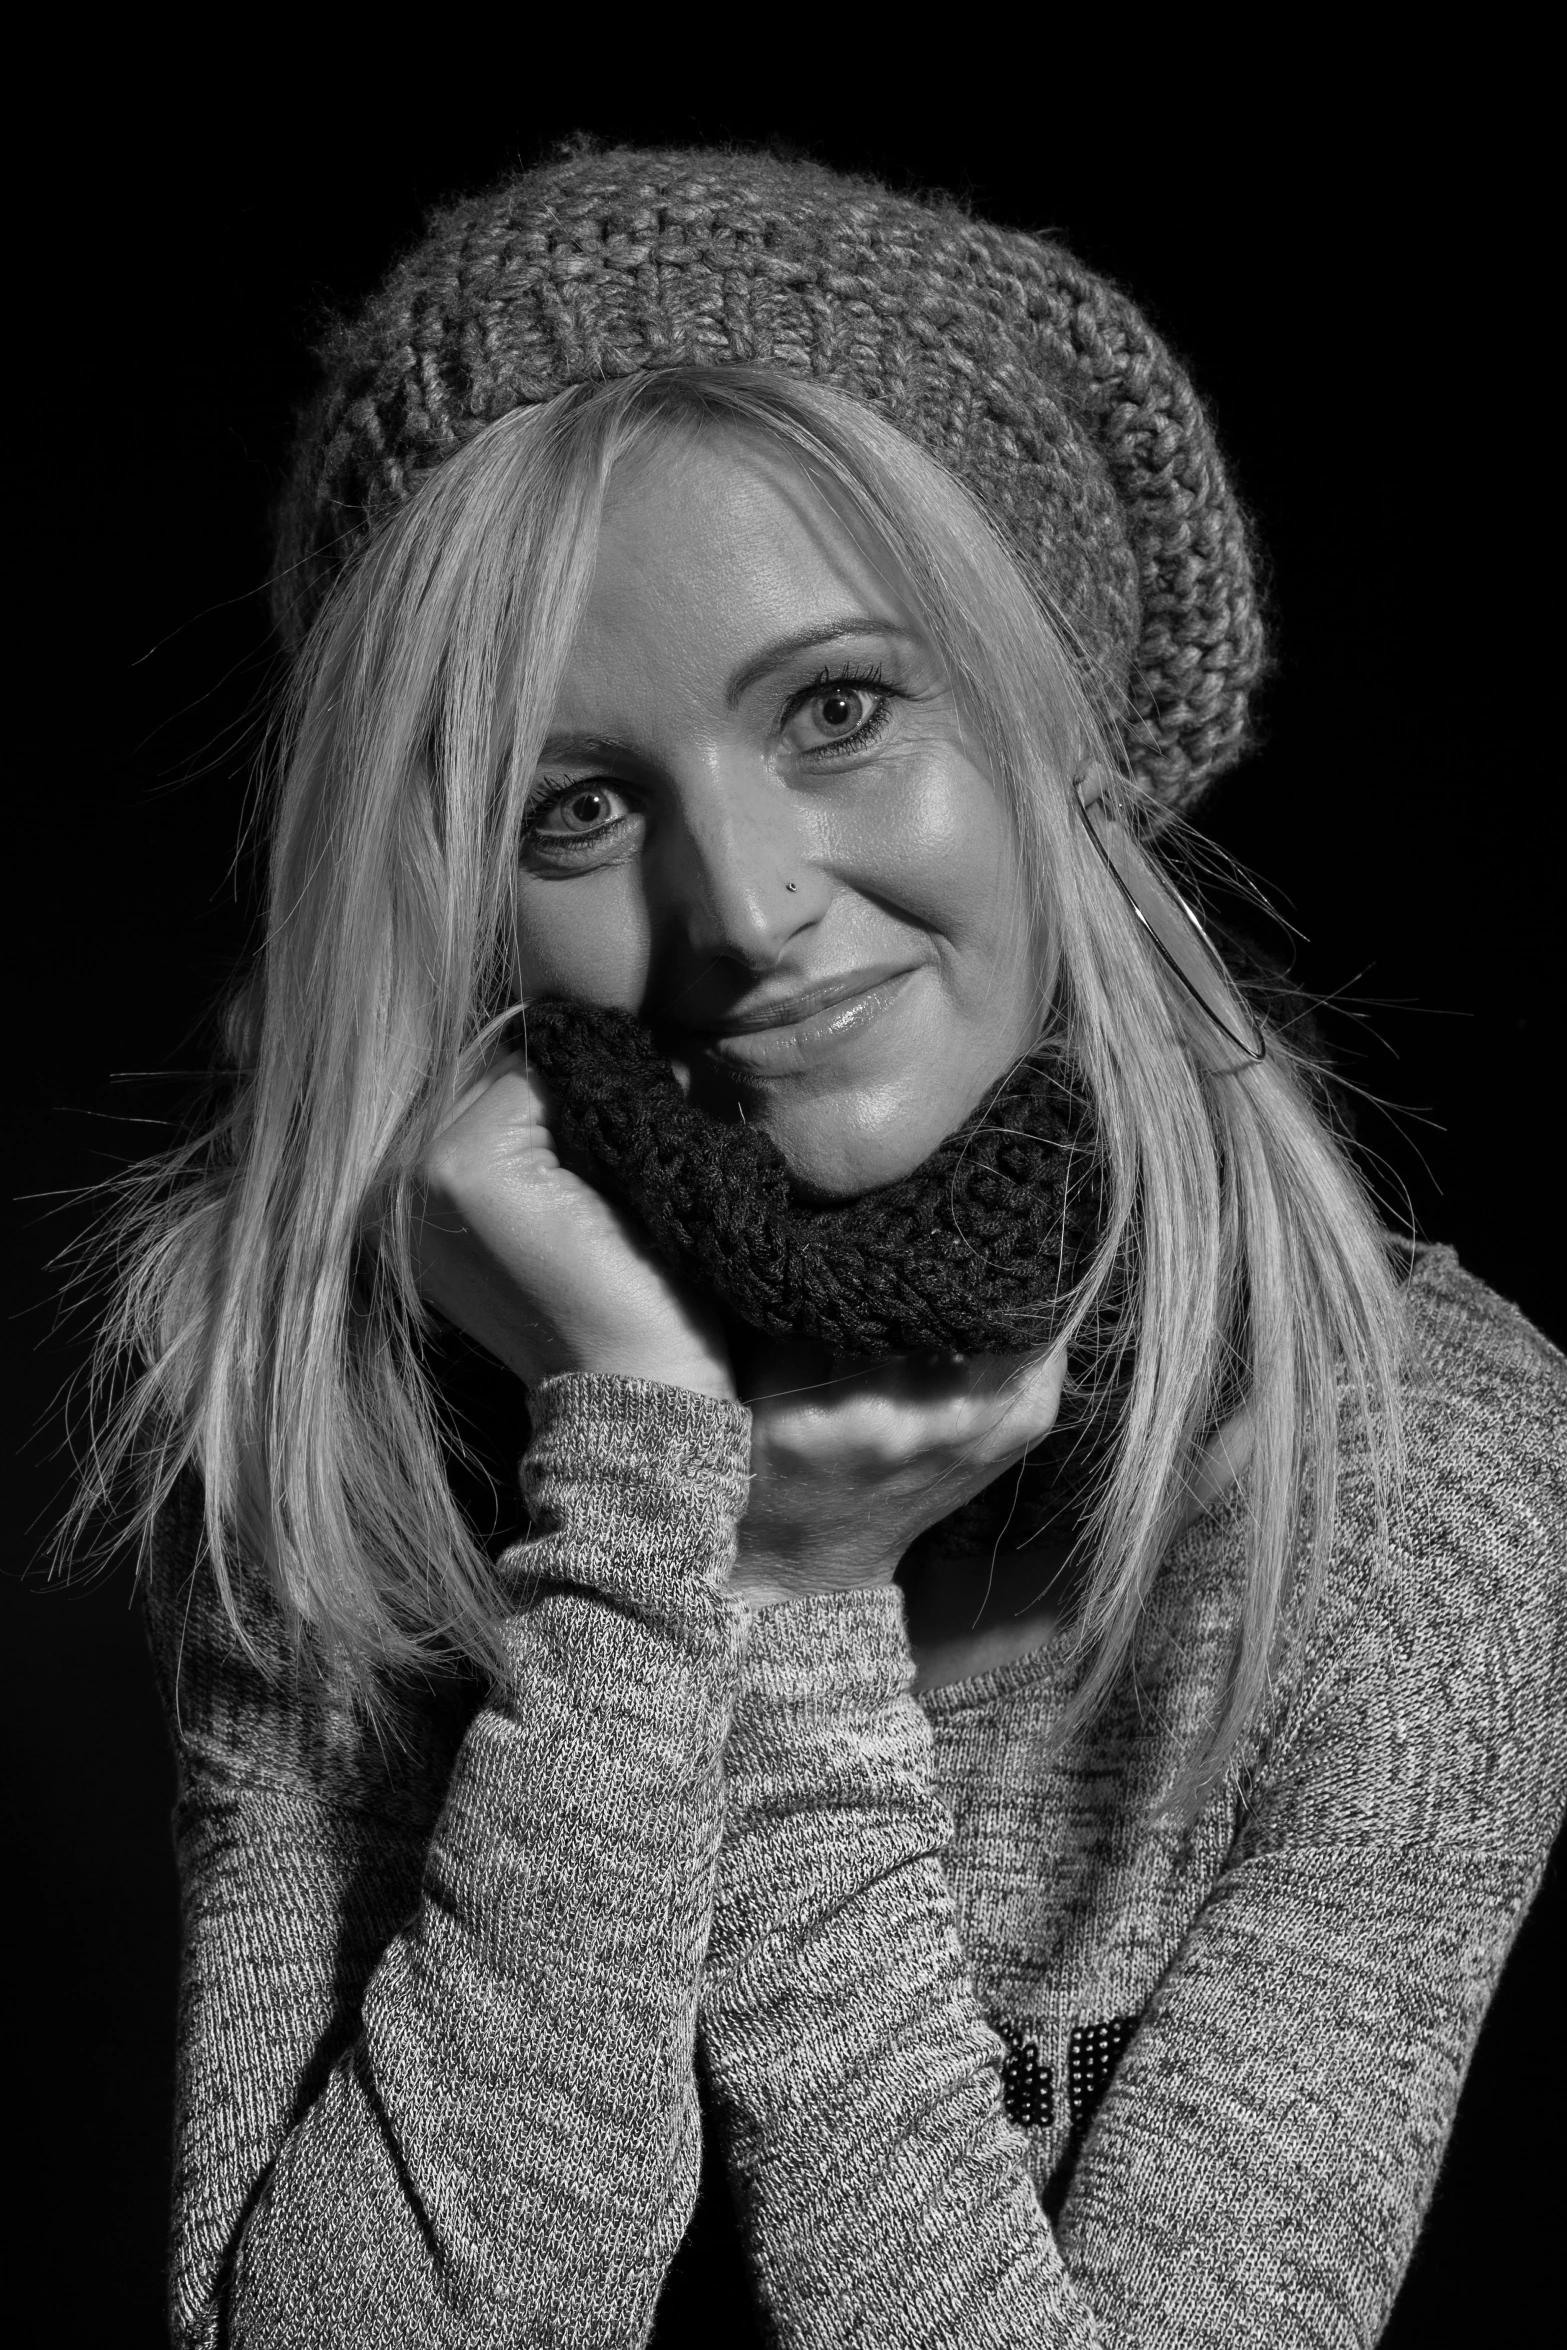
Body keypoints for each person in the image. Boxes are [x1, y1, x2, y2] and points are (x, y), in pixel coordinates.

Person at [68, 141, 1566, 2345]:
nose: (746, 907)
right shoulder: (330, 1435)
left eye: (841, 709)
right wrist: (652, 1495)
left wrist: (786, 1605)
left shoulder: (1414, 1476)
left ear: (1044, 716)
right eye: (572, 807)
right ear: (457, 903)